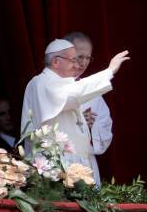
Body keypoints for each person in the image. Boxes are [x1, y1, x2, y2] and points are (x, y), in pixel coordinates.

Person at [22, 39, 129, 185]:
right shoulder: (40, 82)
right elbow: (70, 95)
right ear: (55, 61)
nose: (77, 65)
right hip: (55, 167)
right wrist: (109, 71)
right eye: (73, 60)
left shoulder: (66, 84)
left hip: (80, 163)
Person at [64, 31, 113, 185]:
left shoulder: (93, 91)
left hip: (84, 163)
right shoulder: (46, 85)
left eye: (87, 58)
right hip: (58, 162)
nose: (84, 63)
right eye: (80, 57)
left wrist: (91, 128)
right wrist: (76, 122)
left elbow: (104, 130)